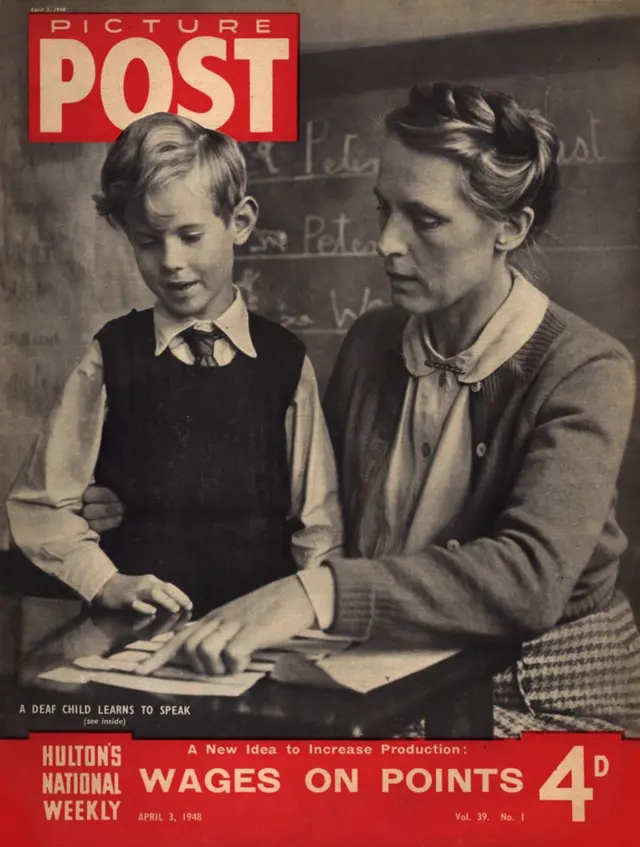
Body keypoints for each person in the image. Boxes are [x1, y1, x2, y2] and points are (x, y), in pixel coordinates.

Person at [79, 83, 640, 736]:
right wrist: (145, 495)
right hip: (385, 670)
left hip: (546, 684)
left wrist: (320, 593)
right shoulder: (373, 345)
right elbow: (301, 501)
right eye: (384, 210)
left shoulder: (584, 368)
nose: (387, 243)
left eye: (424, 220)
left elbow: (530, 578)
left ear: (509, 228)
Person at [7, 113, 343, 618]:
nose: (170, 261)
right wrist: (107, 583)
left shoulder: (285, 362)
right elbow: (40, 505)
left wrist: (308, 616)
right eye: (148, 241)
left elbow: (320, 528)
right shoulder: (112, 354)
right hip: (132, 632)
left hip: (250, 634)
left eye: (190, 236)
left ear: (241, 223)